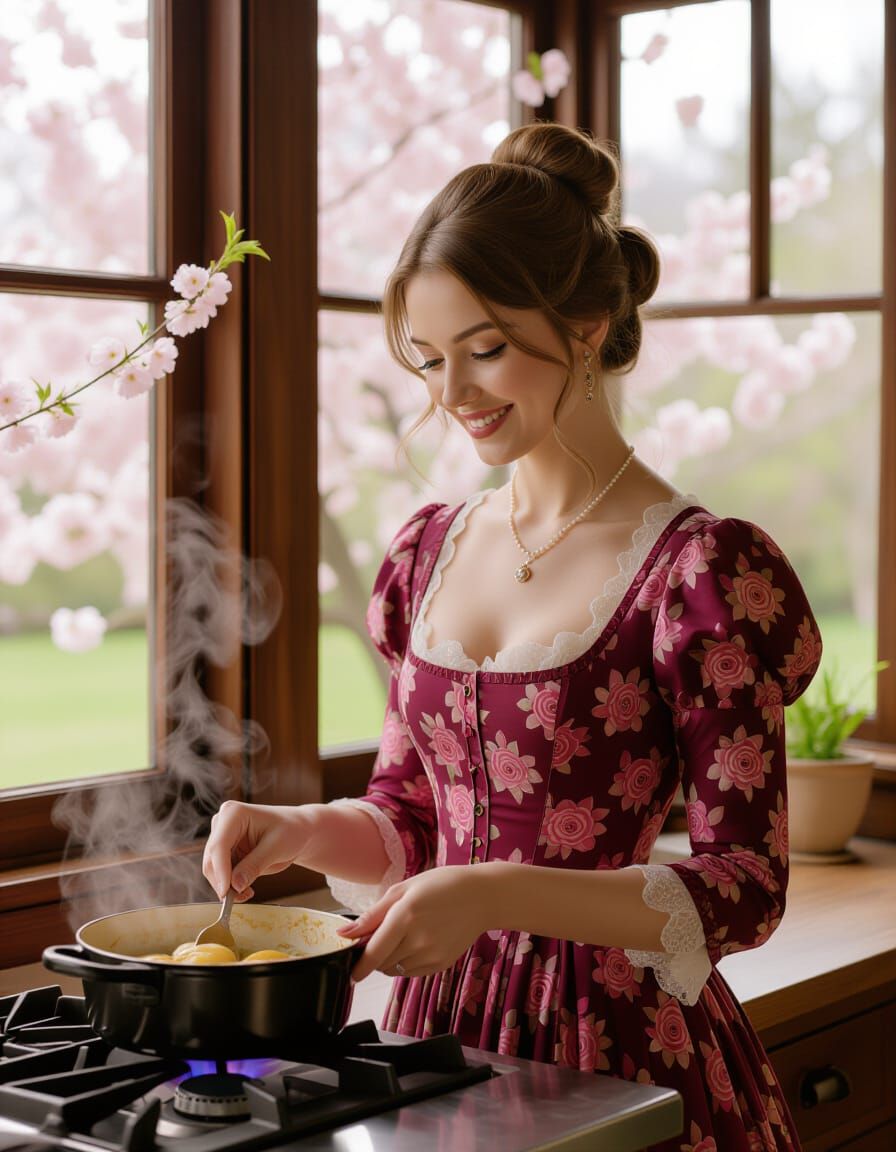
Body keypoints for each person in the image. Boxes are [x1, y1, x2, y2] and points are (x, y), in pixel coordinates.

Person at [203, 122, 822, 1151]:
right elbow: (411, 813)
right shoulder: (428, 552)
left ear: (584, 323)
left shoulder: (699, 572)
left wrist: (488, 892)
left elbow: (742, 889)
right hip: (435, 1041)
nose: (452, 396)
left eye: (485, 349)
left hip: (621, 1048)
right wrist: (303, 830)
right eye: (429, 359)